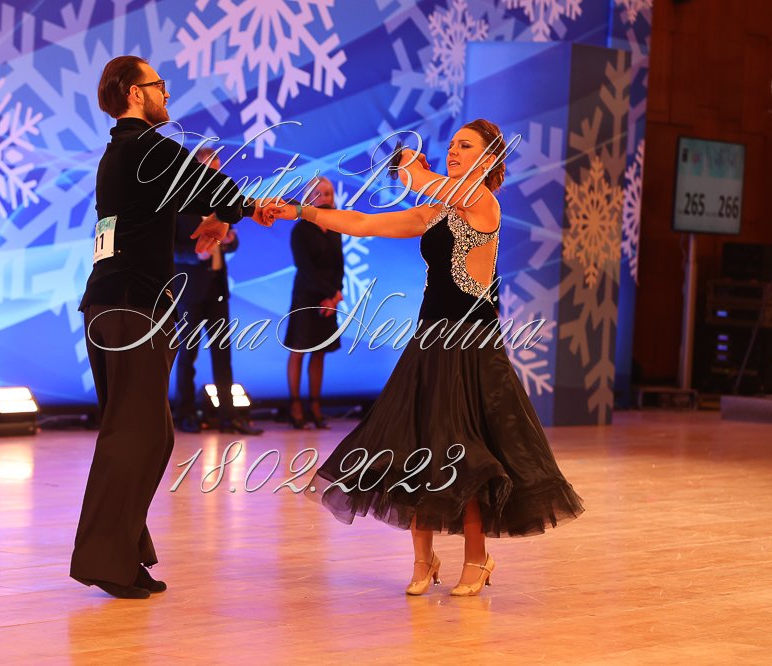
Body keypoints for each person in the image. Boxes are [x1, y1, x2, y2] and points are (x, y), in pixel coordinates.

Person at [265, 119, 584, 596]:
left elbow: (416, 179)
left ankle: (477, 559)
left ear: (488, 159)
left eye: (465, 145)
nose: (453, 150)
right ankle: (422, 560)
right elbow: (364, 223)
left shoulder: (483, 202)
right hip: (430, 342)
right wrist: (301, 211)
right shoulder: (438, 209)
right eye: (451, 144)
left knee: (466, 454)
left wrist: (410, 164)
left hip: (471, 347)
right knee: (418, 450)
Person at [70, 55, 271, 599]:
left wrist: (219, 218)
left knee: (149, 435)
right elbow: (212, 188)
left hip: (114, 305)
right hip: (132, 307)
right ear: (135, 93)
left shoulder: (121, 152)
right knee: (134, 435)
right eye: (158, 84)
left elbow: (177, 203)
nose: (166, 93)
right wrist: (246, 207)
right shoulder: (147, 147)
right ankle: (106, 562)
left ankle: (124, 555)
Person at [174, 147, 263, 436]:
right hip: (189, 289)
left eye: (218, 169)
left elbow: (232, 242)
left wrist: (230, 240)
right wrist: (194, 255)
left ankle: (229, 417)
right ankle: (186, 414)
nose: (216, 174)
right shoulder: (181, 203)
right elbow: (171, 250)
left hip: (217, 287)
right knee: (187, 353)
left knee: (222, 353)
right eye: (210, 169)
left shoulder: (221, 202)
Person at [283, 176, 344, 429]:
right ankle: (295, 406)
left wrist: (335, 294)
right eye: (319, 193)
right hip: (306, 296)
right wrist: (331, 293)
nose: (325, 198)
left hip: (329, 299)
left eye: (328, 193)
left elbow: (339, 265)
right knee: (298, 349)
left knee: (320, 352)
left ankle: (316, 406)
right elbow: (305, 268)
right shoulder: (301, 230)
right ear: (308, 198)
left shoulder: (335, 226)